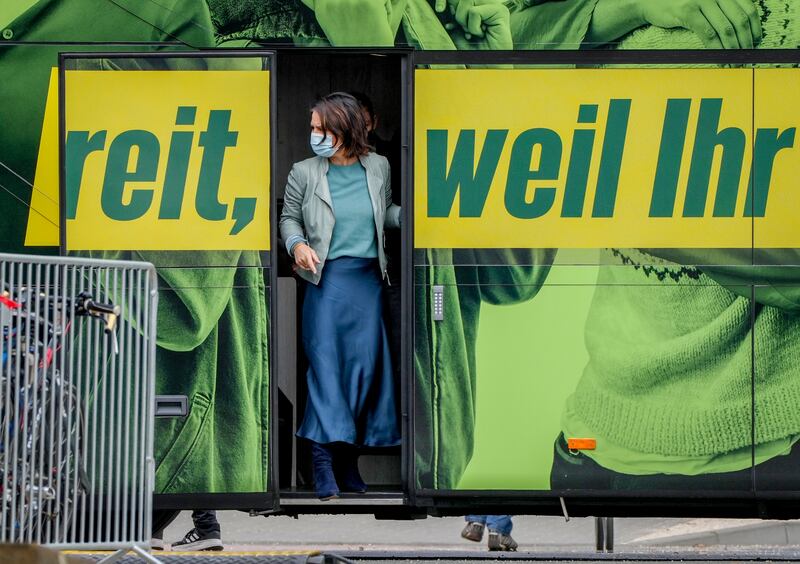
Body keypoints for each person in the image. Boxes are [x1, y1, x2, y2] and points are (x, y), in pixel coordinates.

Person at [279, 92, 402, 499]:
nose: (313, 134)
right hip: (326, 281)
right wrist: (297, 245)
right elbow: (289, 218)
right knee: (327, 371)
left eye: (320, 127)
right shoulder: (304, 172)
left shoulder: (378, 167)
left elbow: (383, 213)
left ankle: (348, 460)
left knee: (364, 374)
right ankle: (320, 458)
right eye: (312, 128)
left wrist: (413, 215)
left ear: (345, 128)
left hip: (367, 282)